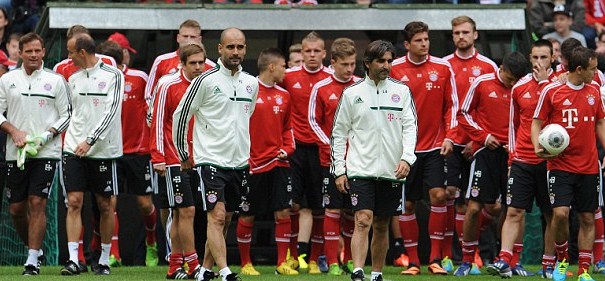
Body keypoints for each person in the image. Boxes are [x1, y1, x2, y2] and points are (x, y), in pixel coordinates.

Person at [172, 27, 258, 281]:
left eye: (240, 47)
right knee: (216, 216)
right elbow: (181, 115)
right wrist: (183, 152)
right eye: (230, 47)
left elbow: (246, 116)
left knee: (227, 218)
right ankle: (226, 272)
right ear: (220, 49)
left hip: (239, 162)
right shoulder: (204, 81)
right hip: (210, 159)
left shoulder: (251, 83)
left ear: (245, 49)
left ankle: (205, 271)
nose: (235, 52)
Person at [331, 39, 417, 281]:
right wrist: (339, 170)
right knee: (363, 219)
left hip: (392, 170)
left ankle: (376, 274)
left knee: (382, 224)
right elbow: (338, 133)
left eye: (390, 61)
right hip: (360, 169)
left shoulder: (402, 91)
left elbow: (410, 129)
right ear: (368, 63)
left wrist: (407, 159)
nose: (387, 65)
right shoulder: (352, 93)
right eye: (381, 60)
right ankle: (358, 272)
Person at [531, 46, 604, 281]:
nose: (597, 73)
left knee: (587, 217)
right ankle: (562, 261)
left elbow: (600, 123)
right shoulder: (552, 91)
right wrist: (536, 146)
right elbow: (536, 122)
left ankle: (583, 270)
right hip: (559, 165)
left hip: (589, 165)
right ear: (580, 69)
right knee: (560, 214)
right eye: (593, 69)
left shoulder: (594, 90)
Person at [390, 21, 457, 276]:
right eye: (418, 40)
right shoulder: (394, 69)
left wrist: (450, 136)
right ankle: (414, 261)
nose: (424, 44)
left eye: (426, 39)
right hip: (404, 149)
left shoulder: (442, 67)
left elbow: (451, 105)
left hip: (435, 146)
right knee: (407, 205)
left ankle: (436, 258)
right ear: (407, 44)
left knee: (439, 195)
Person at [0, 32, 70, 275]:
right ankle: (35, 250)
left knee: (37, 202)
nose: (33, 55)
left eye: (37, 51)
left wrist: (47, 135)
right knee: (16, 210)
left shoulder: (56, 80)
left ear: (43, 52)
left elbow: (66, 115)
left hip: (46, 152)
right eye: (28, 51)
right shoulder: (8, 80)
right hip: (16, 153)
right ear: (19, 53)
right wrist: (13, 131)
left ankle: (31, 261)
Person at [453, 52, 527, 276]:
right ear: (502, 68)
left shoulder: (523, 87)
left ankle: (511, 261)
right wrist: (483, 137)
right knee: (474, 207)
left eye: (517, 80)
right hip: (486, 151)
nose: (513, 84)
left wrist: (516, 144)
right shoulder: (482, 82)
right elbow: (462, 113)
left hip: (514, 153)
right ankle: (467, 260)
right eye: (510, 78)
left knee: (513, 208)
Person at [487, 39, 556, 278]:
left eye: (544, 58)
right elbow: (513, 127)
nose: (539, 63)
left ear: (552, 59)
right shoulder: (519, 87)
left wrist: (546, 82)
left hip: (551, 162)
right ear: (529, 58)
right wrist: (511, 159)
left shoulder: (559, 86)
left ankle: (548, 264)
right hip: (522, 160)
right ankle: (505, 258)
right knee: (514, 211)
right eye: (535, 58)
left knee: (551, 214)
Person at [60, 33, 124, 276]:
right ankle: (74, 260)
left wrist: (90, 140)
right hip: (73, 148)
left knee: (105, 205)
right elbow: (71, 113)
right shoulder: (73, 78)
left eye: (71, 52)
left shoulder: (113, 75)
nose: (68, 56)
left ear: (83, 52)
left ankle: (105, 259)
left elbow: (111, 112)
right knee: (74, 202)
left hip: (103, 151)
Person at [442, 15, 499, 274]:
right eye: (456, 33)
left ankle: (484, 251)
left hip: (482, 143)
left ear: (475, 35)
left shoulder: (488, 67)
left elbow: (494, 106)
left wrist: (478, 141)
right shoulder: (443, 66)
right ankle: (468, 255)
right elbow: (442, 107)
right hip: (452, 142)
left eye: (466, 32)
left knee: (489, 204)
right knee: (457, 200)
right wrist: (447, 137)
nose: (461, 36)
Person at [98, 37, 159, 268]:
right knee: (109, 203)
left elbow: (152, 109)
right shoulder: (100, 81)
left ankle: (152, 244)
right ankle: (114, 254)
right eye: (126, 51)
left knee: (144, 204)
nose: (128, 55)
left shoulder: (139, 77)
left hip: (138, 150)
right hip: (110, 150)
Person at [236, 47, 297, 276]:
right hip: (253, 165)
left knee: (283, 212)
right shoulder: (248, 90)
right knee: (247, 213)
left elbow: (288, 128)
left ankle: (282, 263)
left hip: (279, 164)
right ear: (272, 67)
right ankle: (245, 263)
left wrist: (288, 149)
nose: (286, 71)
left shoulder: (285, 95)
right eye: (283, 66)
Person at [150, 43, 207, 280]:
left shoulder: (206, 85)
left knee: (181, 212)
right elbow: (158, 121)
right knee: (187, 210)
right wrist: (158, 157)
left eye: (200, 63)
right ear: (181, 64)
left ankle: (175, 266)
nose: (197, 67)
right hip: (174, 158)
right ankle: (193, 264)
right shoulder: (167, 85)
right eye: (192, 63)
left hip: (200, 157)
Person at [279, 31, 333, 274]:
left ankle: (314, 258)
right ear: (301, 52)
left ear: (324, 53)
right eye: (307, 51)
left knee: (319, 207)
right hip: (295, 149)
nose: (311, 55)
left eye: (316, 51)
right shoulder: (288, 77)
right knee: (292, 205)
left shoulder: (331, 77)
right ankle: (292, 255)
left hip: (322, 150)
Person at [308, 37, 360, 276]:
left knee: (353, 211)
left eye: (353, 64)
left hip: (359, 159)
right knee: (332, 209)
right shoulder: (320, 87)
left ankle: (349, 259)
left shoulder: (361, 85)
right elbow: (313, 121)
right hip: (329, 160)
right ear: (333, 63)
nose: (350, 69)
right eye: (345, 65)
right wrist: (332, 144)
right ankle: (332, 262)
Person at [145, 19, 214, 106]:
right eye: (185, 36)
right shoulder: (161, 61)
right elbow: (149, 95)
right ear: (178, 38)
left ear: (200, 39)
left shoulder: (211, 67)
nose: (188, 40)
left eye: (192, 37)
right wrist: (155, 115)